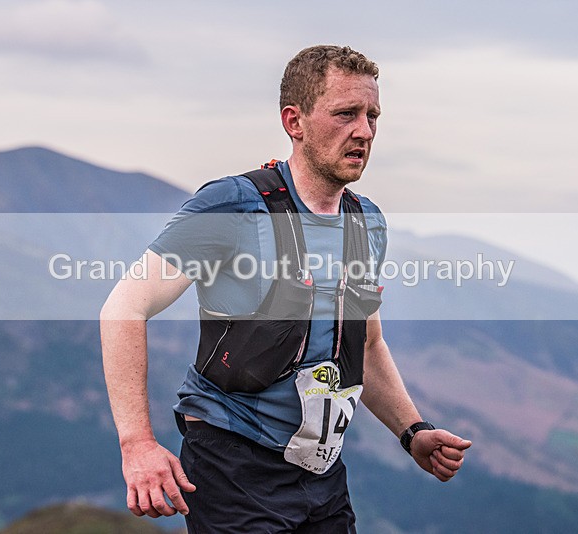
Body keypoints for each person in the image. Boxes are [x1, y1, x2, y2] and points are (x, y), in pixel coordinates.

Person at [100, 45, 471, 533]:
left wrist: (412, 430)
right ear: (294, 121)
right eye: (346, 114)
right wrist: (137, 445)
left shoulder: (366, 222)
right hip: (232, 465)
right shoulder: (234, 205)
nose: (364, 131)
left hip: (322, 475)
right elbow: (124, 308)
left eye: (372, 115)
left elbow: (367, 344)